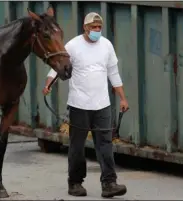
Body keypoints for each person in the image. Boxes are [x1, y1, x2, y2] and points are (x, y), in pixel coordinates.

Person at [42, 12, 129, 198]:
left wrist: (122, 98)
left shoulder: (106, 45)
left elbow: (113, 73)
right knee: (77, 146)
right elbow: (56, 67)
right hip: (79, 105)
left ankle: (109, 183)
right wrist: (48, 83)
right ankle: (75, 183)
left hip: (102, 105)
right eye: (93, 27)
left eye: (99, 27)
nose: (97, 30)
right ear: (85, 27)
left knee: (105, 144)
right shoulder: (73, 46)